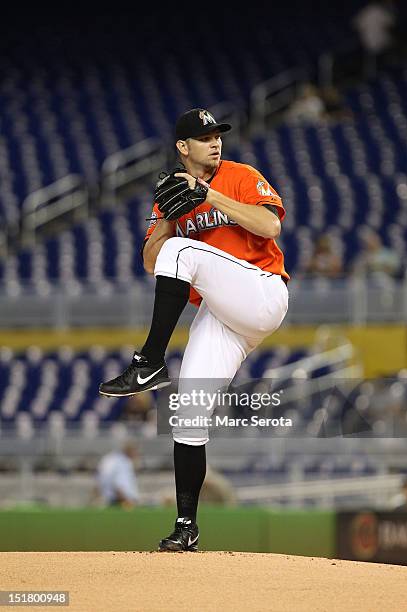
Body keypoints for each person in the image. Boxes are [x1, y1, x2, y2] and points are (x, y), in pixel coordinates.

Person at [99, 108, 289, 551]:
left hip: (261, 291)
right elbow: (151, 261)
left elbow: (271, 224)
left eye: (217, 135)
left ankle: (147, 363)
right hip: (224, 315)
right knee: (187, 413)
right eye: (204, 138)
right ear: (183, 148)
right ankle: (187, 527)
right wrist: (167, 214)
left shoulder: (240, 176)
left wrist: (210, 196)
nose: (215, 142)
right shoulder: (170, 191)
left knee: (182, 252)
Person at [95, 441, 140, 508]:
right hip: (120, 501)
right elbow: (117, 484)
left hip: (122, 499)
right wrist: (125, 500)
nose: (136, 454)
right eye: (135, 451)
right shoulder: (120, 462)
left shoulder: (124, 461)